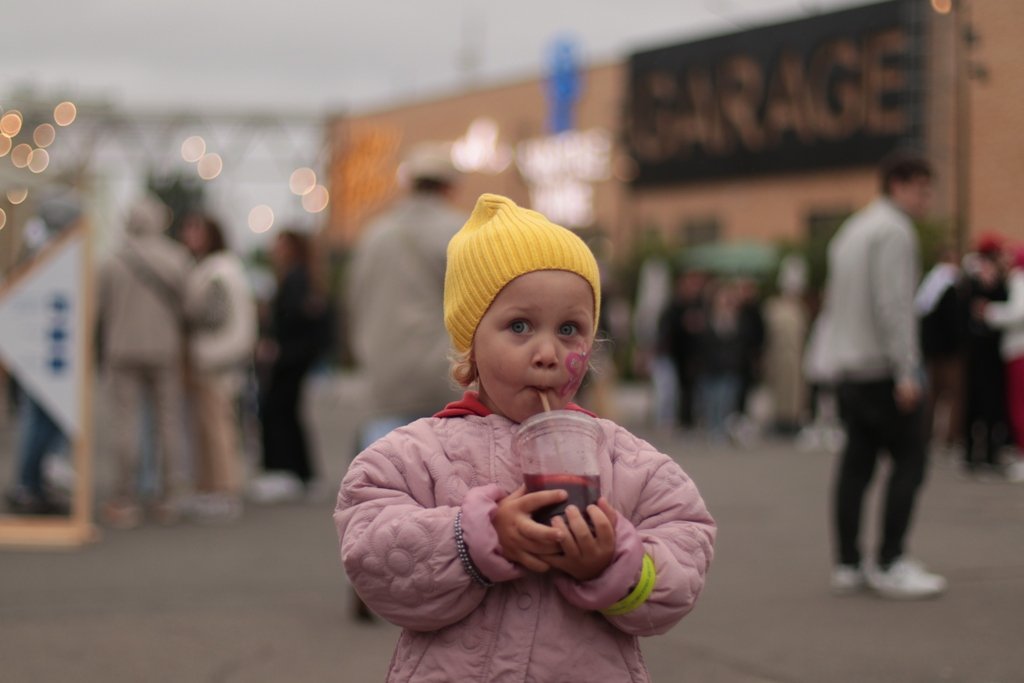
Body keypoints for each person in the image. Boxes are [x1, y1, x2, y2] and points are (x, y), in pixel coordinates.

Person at [334, 194, 715, 682]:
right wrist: (476, 537)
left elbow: (684, 553)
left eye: (570, 329)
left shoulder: (627, 461)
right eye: (520, 326)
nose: (547, 352)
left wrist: (615, 563)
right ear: (471, 344)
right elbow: (372, 559)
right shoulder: (415, 456)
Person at [821, 151, 946, 599]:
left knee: (856, 465)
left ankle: (849, 563)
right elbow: (894, 305)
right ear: (898, 185)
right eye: (922, 190)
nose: (927, 200)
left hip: (850, 366)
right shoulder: (894, 231)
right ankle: (891, 560)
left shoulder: (853, 230)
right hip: (881, 368)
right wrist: (907, 369)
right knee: (911, 460)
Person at [346, 143, 465, 452]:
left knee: (387, 469)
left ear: (410, 183)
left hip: (384, 376)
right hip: (446, 375)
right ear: (449, 187)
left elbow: (354, 301)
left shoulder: (375, 234)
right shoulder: (461, 231)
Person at [97, 193, 193, 528]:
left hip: (122, 350)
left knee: (126, 422)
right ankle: (169, 496)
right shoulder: (176, 257)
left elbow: (98, 310)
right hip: (165, 349)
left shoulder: (112, 260)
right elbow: (190, 306)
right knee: (168, 422)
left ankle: (124, 498)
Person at [4, 189, 81, 515]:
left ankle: (33, 484)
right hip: (42, 350)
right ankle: (29, 485)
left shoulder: (38, 247)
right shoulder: (52, 252)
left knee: (40, 419)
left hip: (39, 348)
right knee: (39, 420)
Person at [181, 213, 258, 521]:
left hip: (214, 358)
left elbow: (211, 315)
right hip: (223, 356)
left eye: (195, 229)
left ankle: (224, 489)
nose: (188, 235)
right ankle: (214, 488)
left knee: (215, 428)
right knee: (213, 426)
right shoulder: (229, 269)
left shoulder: (215, 273)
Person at [250, 229, 330, 502]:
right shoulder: (305, 277)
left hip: (289, 357)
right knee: (289, 412)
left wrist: (276, 345)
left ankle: (284, 471)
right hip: (297, 356)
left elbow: (292, 318)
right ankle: (301, 473)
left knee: (277, 411)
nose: (275, 250)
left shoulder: (295, 279)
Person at [960, 237, 1009, 475]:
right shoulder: (972, 280)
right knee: (977, 402)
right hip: (978, 350)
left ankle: (989, 452)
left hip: (992, 350)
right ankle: (973, 453)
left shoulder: (998, 279)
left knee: (991, 404)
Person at [915, 245, 964, 458]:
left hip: (932, 350)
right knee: (953, 394)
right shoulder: (949, 284)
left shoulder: (930, 283)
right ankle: (950, 436)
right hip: (948, 352)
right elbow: (952, 323)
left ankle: (926, 433)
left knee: (932, 394)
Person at [982, 245, 1024, 482]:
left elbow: (1019, 312)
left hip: (1018, 350)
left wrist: (990, 312)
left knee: (1018, 405)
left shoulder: (1019, 279)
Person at [763, 255, 809, 436]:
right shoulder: (774, 307)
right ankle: (780, 420)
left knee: (795, 392)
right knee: (780, 392)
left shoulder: (800, 309)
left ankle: (793, 420)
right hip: (778, 357)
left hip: (795, 358)